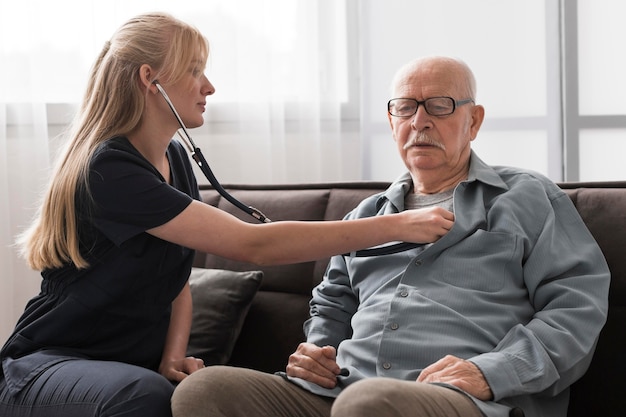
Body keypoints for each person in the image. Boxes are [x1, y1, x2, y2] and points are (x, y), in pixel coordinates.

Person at [0, 15, 455, 417]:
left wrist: (174, 357)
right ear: (150, 78)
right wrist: (396, 224)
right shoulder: (109, 169)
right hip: (52, 363)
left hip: (129, 368)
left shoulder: (174, 158)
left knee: (176, 390)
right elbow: (251, 244)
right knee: (143, 396)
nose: (209, 86)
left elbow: (175, 277)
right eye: (195, 70)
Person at [170, 56, 611, 417]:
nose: (419, 121)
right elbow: (332, 302)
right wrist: (317, 350)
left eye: (439, 105)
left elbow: (576, 306)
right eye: (405, 107)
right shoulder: (365, 217)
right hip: (339, 394)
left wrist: (493, 372)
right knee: (203, 391)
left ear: (473, 121)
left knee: (370, 403)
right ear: (391, 119)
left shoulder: (526, 196)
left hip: (467, 398)